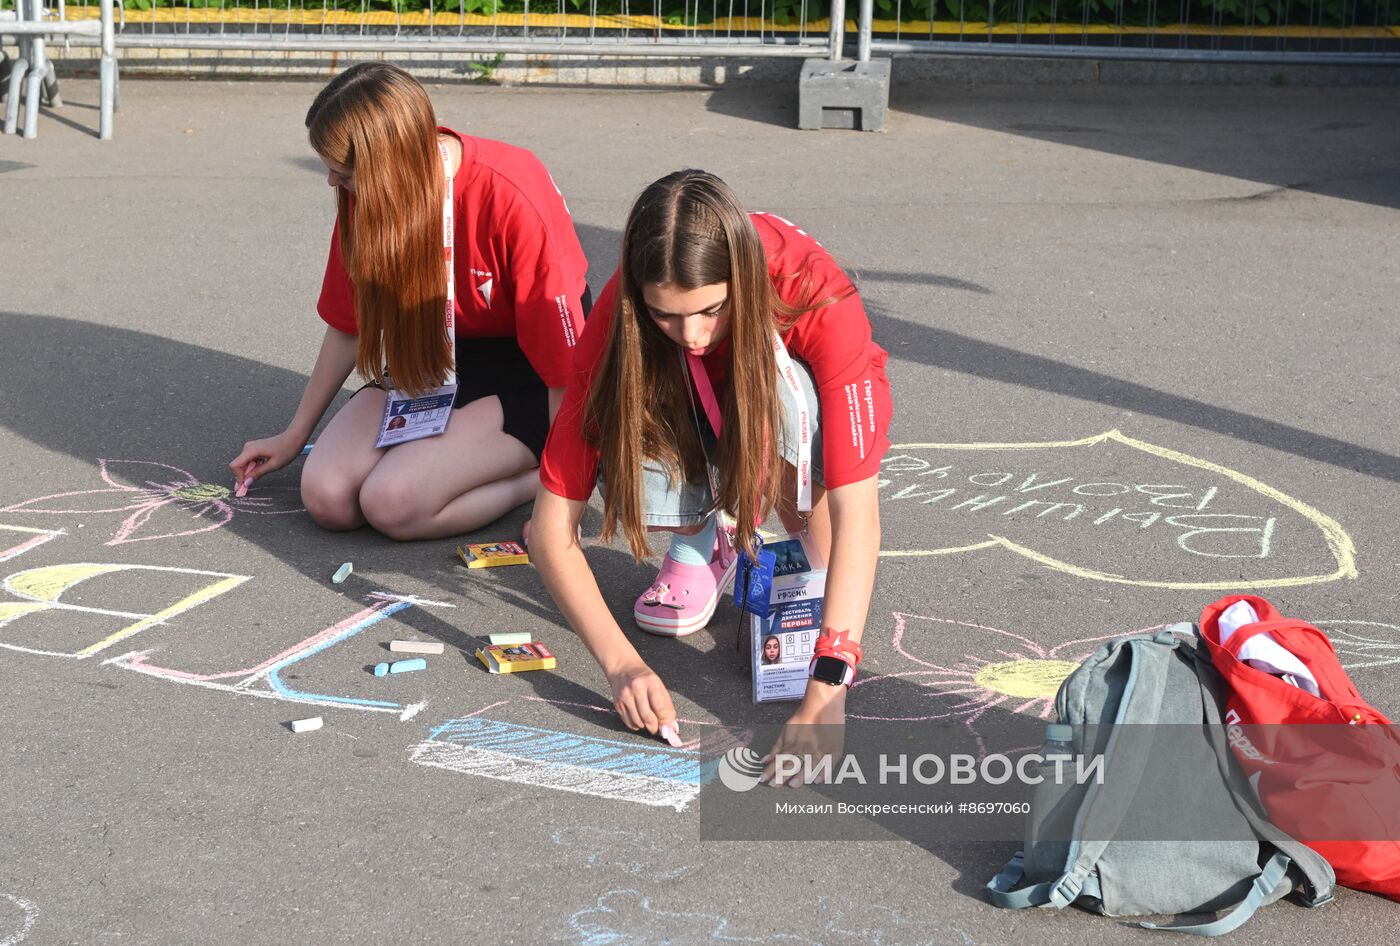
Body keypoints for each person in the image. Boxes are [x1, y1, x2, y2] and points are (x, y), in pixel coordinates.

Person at [531, 170, 891, 783]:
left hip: (774, 381)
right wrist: (623, 666)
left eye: (709, 310)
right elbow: (547, 532)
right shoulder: (622, 319)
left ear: (742, 282)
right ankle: (705, 530)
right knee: (631, 384)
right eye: (666, 314)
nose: (692, 335)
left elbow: (860, 517)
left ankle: (745, 503)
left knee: (827, 552)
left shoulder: (815, 295)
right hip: (691, 401)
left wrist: (830, 684)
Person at [229, 63, 590, 540]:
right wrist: (294, 436)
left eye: (343, 170)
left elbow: (565, 368)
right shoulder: (368, 196)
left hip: (527, 373)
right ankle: (449, 456)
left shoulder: (511, 191)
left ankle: (530, 480)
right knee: (327, 497)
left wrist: (560, 502)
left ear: (390, 165)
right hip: (434, 358)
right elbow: (347, 324)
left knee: (392, 503)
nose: (332, 182)